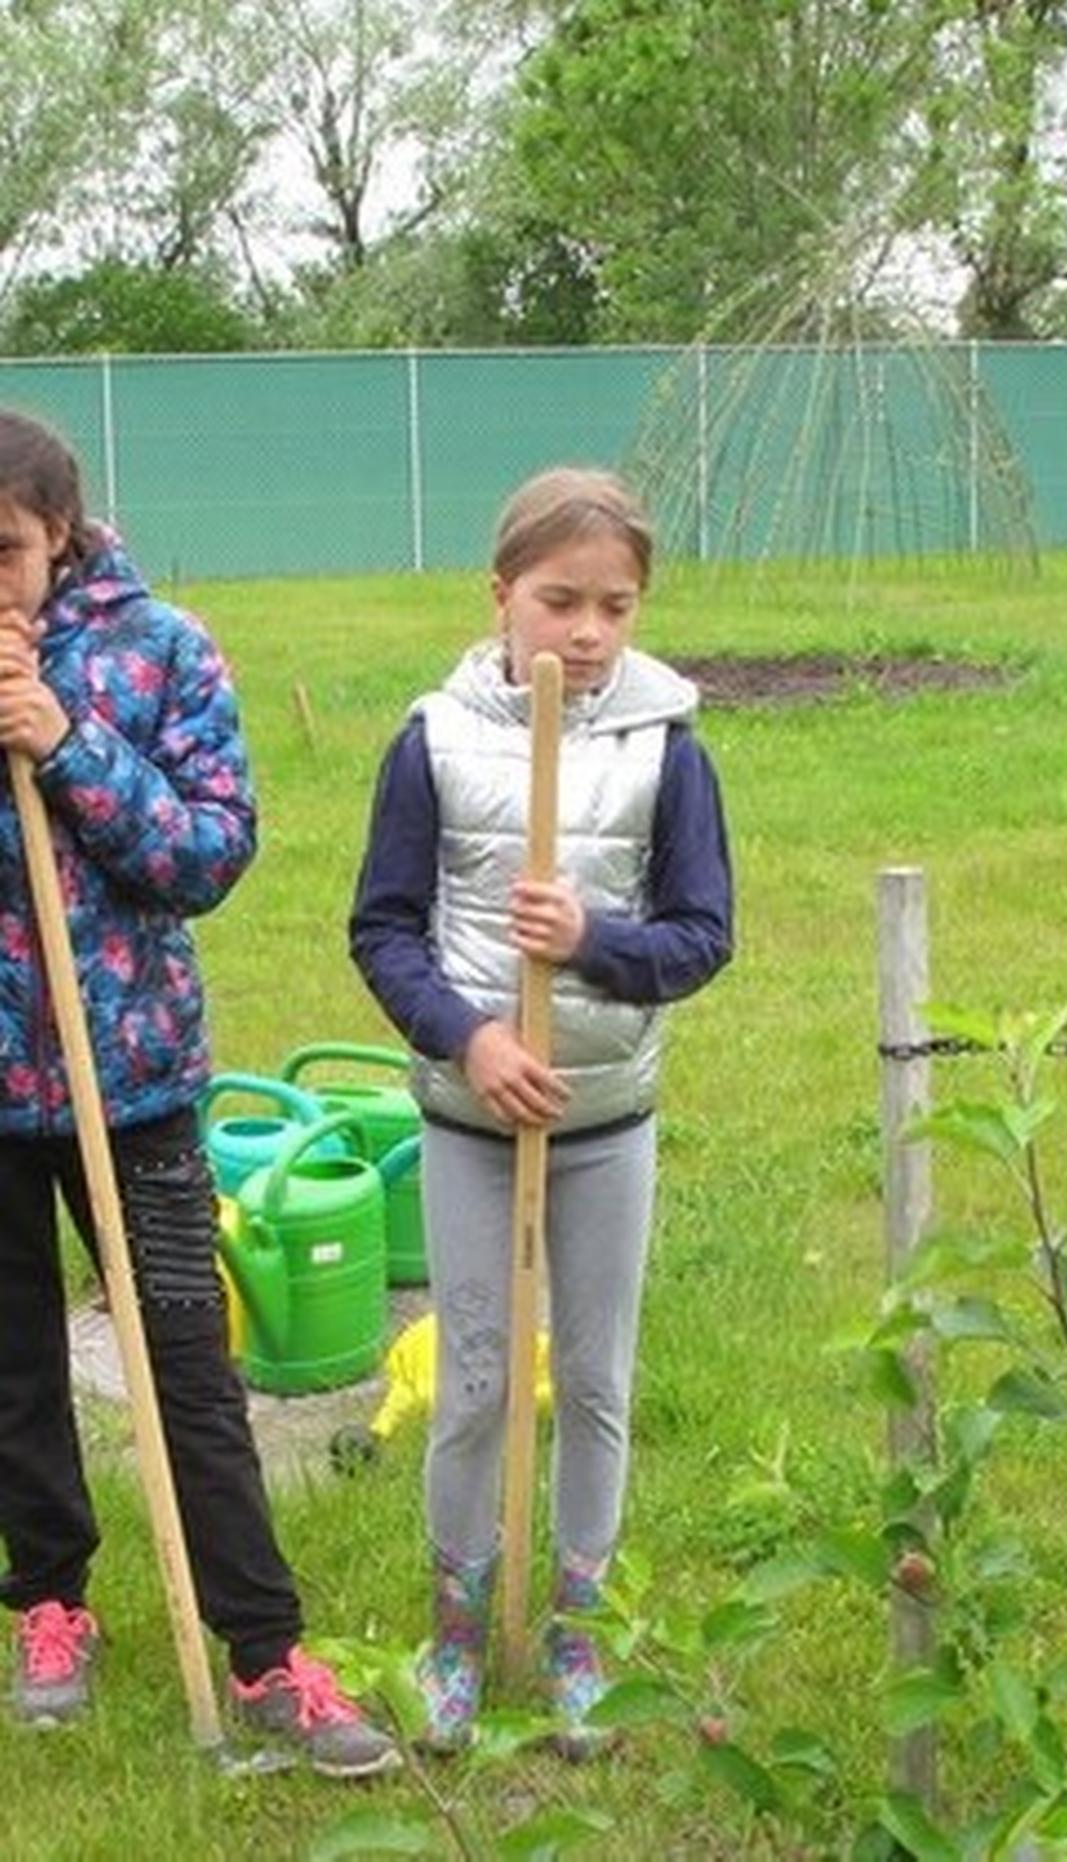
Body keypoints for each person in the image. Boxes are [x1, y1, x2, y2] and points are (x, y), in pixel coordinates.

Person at [0, 408, 399, 1776]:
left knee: (185, 1361)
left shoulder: (162, 650)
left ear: (62, 532)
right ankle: (51, 1601)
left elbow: (209, 854)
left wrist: (65, 742)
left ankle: (265, 1648)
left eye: (4, 552)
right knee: (14, 1367)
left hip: (137, 1084)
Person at [348, 467, 733, 1755]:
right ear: (501, 596)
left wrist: (592, 939)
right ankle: (457, 1632)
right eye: (560, 601)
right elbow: (383, 929)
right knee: (474, 1381)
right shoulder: (433, 740)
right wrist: (472, 1037)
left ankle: (576, 1629)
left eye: (615, 606)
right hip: (471, 1123)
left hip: (607, 1121)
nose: (588, 631)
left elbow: (703, 936)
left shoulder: (669, 745)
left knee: (598, 1380)